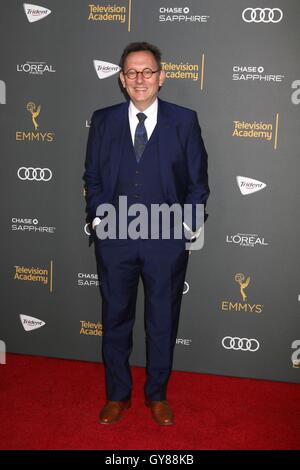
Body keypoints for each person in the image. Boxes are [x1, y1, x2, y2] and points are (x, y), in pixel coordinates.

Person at [84, 41, 209, 425]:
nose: (140, 78)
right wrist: (100, 223)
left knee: (162, 321)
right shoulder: (103, 120)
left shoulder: (184, 120)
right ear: (122, 79)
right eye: (132, 72)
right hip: (116, 241)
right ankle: (117, 396)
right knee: (116, 319)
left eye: (148, 71)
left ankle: (157, 395)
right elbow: (93, 177)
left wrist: (185, 229)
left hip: (165, 242)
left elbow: (198, 183)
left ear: (162, 77)